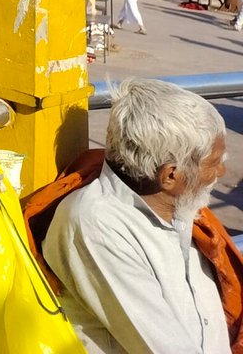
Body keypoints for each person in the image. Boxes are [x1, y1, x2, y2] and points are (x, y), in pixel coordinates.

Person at [32, 79, 235, 353]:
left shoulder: (180, 206)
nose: (221, 173)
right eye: (214, 163)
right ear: (171, 175)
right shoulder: (97, 226)